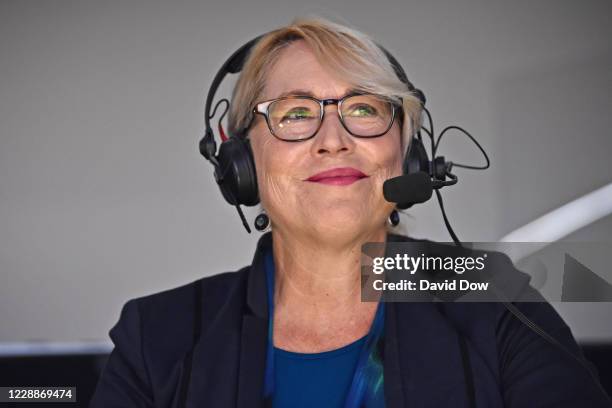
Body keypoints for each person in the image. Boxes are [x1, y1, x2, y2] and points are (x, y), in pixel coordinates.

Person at [90, 16, 611, 408]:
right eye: (295, 114)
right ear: (241, 161)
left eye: (364, 109)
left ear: (407, 151)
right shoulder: (158, 332)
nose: (333, 140)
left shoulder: (490, 291)